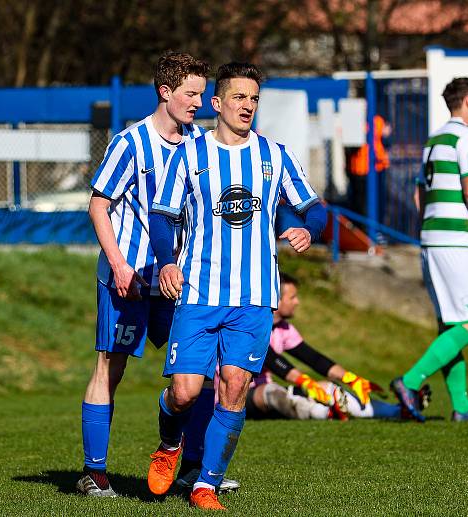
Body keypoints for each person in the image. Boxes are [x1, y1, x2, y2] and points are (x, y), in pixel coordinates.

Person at [147, 62, 327, 511]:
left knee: (234, 387)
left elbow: (314, 207)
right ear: (217, 103)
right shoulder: (190, 155)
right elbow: (162, 215)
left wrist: (309, 230)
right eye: (239, 98)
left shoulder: (275, 155)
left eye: (254, 99)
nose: (247, 106)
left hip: (254, 298)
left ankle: (206, 484)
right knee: (185, 391)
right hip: (198, 294)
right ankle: (170, 444)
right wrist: (167, 263)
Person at [77, 51, 211, 497]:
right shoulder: (129, 143)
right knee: (108, 369)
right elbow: (99, 206)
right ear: (165, 91)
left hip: (179, 283)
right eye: (191, 94)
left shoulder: (201, 145)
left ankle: (192, 466)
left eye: (202, 94)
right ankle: (94, 472)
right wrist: (118, 264)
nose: (199, 102)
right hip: (128, 279)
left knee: (198, 371)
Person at [391, 77, 468, 422]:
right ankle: (410, 380)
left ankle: (461, 407)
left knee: (450, 326)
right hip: (456, 242)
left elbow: (419, 195)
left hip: (431, 240)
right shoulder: (467, 137)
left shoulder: (433, 140)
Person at [245, 272, 414, 421]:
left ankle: (399, 411)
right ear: (276, 299)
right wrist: (306, 382)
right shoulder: (249, 326)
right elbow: (274, 360)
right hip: (243, 396)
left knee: (328, 388)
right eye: (293, 297)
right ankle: (326, 413)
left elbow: (314, 359)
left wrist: (350, 378)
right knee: (271, 391)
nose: (297, 302)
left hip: (271, 397)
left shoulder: (284, 328)